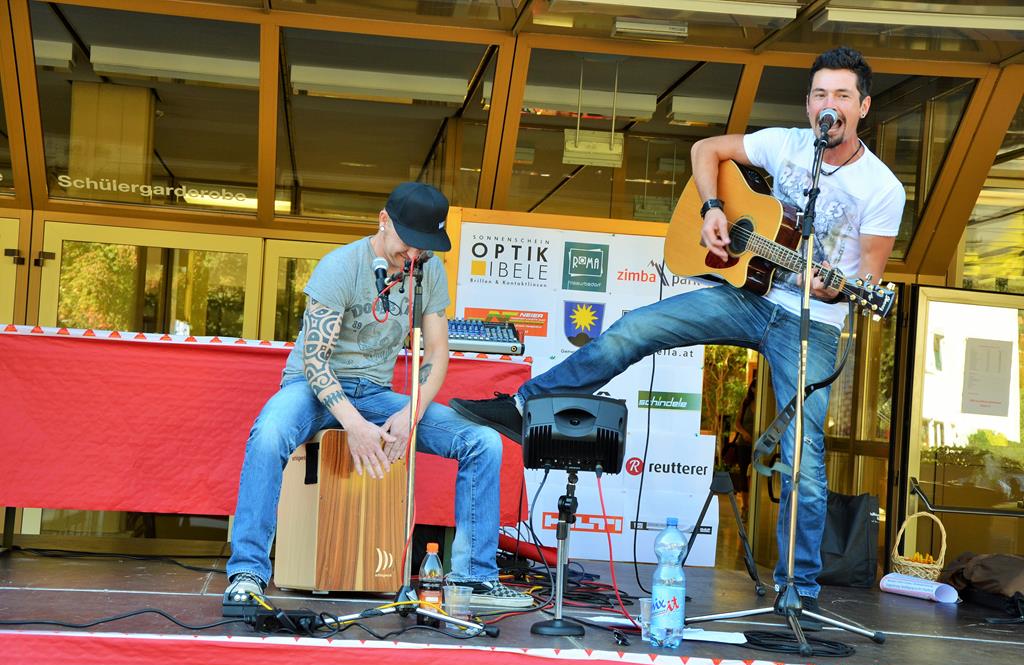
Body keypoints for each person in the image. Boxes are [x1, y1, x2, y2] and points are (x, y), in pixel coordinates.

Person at [450, 47, 905, 622]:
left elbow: (865, 281)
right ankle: (524, 404)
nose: (828, 104)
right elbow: (704, 149)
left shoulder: (881, 188)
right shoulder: (786, 144)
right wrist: (714, 209)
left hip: (810, 321)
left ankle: (799, 590)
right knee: (634, 329)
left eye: (841, 95)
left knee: (802, 458)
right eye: (820, 94)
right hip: (747, 295)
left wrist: (833, 289)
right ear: (809, 104)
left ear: (862, 106)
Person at [224, 182, 532, 613]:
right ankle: (247, 573)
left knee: (482, 442)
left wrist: (413, 411)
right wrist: (354, 425)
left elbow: (437, 353)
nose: (413, 254)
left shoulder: (428, 269)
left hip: (376, 392)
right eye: (408, 242)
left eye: (423, 246)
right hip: (312, 388)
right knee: (269, 434)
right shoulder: (340, 267)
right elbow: (315, 359)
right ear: (383, 220)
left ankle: (474, 578)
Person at [727, 378, 757, 521]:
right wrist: (745, 433)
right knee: (744, 474)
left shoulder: (765, 404)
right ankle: (745, 507)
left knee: (755, 476)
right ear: (752, 389)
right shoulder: (746, 403)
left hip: (759, 446)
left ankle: (754, 507)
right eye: (755, 387)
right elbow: (737, 423)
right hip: (744, 445)